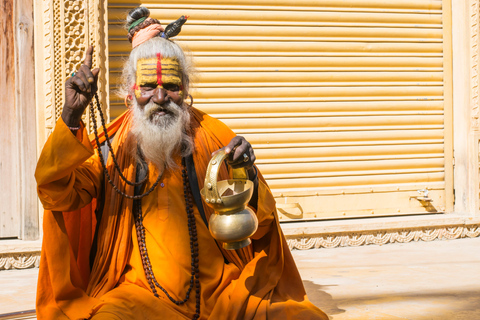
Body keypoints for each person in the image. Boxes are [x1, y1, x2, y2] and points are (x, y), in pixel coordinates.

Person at [35, 7, 328, 320]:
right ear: (130, 93)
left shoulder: (215, 137)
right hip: (136, 298)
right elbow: (56, 195)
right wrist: (71, 116)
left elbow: (260, 226)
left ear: (186, 90)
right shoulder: (110, 150)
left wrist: (248, 175)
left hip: (222, 295)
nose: (160, 97)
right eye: (148, 86)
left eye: (171, 86)